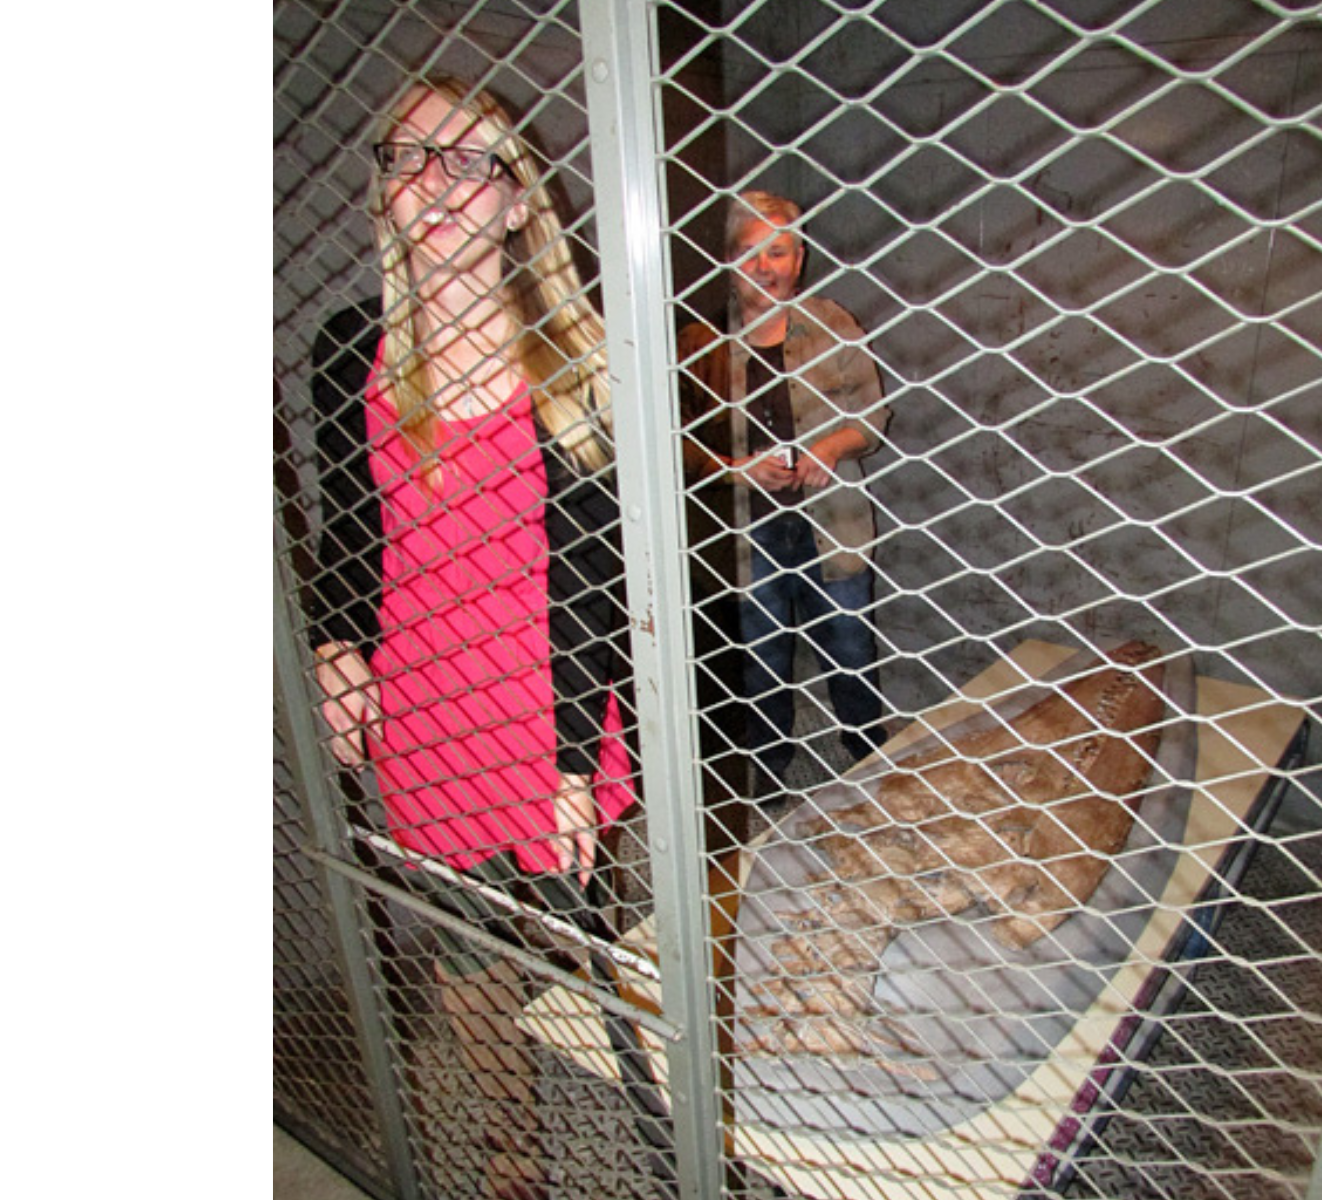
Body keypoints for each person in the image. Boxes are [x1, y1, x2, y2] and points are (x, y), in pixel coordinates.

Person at [305, 77, 640, 1200]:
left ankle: (659, 1103)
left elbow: (591, 579)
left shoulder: (576, 362)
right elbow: (354, 527)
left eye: (468, 162)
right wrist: (336, 644)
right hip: (423, 709)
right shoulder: (350, 349)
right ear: (385, 197)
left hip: (543, 698)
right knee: (463, 963)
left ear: (514, 203)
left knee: (591, 941)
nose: (436, 182)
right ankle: (509, 1148)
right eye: (411, 158)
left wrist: (561, 766)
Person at [678, 191, 891, 800]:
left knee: (850, 644)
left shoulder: (834, 324)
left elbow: (874, 417)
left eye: (779, 252)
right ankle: (768, 769)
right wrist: (737, 468)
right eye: (751, 253)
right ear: (727, 258)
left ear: (799, 259)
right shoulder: (701, 343)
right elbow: (674, 446)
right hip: (745, 529)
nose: (765, 267)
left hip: (833, 520)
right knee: (760, 655)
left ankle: (866, 755)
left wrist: (828, 449)